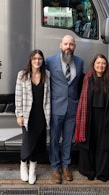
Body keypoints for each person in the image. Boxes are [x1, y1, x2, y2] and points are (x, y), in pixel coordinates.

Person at [74, 54, 109, 182]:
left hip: (106, 116)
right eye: (98, 63)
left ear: (106, 65)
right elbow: (83, 98)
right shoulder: (88, 78)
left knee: (104, 145)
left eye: (103, 63)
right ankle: (88, 171)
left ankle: (102, 173)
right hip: (89, 115)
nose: (100, 66)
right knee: (89, 143)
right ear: (94, 64)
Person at [46, 34, 84, 184]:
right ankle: (55, 167)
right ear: (60, 45)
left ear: (74, 46)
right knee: (54, 139)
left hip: (72, 107)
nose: (68, 47)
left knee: (68, 139)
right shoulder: (49, 61)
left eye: (71, 44)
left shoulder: (80, 62)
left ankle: (66, 166)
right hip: (56, 107)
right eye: (66, 44)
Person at [15, 50, 51, 185]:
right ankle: (23, 164)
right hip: (27, 115)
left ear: (43, 61)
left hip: (41, 114)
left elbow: (48, 97)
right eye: (35, 58)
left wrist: (49, 115)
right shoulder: (22, 75)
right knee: (27, 142)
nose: (37, 61)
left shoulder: (47, 75)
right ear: (30, 60)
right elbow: (18, 96)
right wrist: (19, 114)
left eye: (40, 59)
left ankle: (33, 169)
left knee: (37, 143)